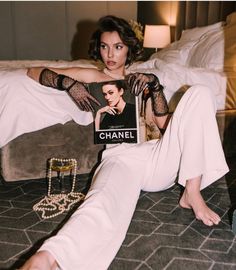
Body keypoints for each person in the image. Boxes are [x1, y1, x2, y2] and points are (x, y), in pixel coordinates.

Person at [21, 15, 229, 270]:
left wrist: (155, 87)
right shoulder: (92, 74)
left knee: (201, 92)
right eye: (104, 46)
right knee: (101, 203)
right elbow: (33, 71)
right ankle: (52, 258)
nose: (110, 53)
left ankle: (191, 192)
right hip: (120, 157)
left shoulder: (139, 79)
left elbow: (164, 126)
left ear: (129, 49)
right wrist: (69, 84)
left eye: (118, 46)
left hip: (156, 156)